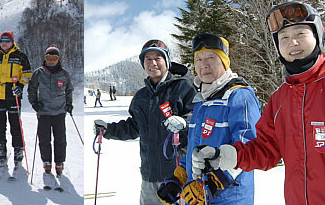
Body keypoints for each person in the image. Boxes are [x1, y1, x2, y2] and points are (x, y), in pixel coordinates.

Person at [191, 2, 325, 204]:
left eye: (300, 34)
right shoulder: (280, 100)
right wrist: (225, 155)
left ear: (317, 35)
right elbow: (265, 149)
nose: (292, 42)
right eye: (283, 37)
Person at [157, 34, 260, 205]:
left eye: (211, 57)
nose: (204, 64)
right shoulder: (203, 101)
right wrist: (179, 178)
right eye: (199, 59)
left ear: (224, 61)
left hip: (230, 199)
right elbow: (194, 149)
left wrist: (214, 182)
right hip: (199, 197)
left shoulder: (239, 96)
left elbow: (250, 148)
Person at [93, 39, 196, 205]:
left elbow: (198, 119)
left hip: (177, 176)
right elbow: (134, 127)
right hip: (150, 175)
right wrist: (107, 130)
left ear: (167, 61)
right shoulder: (141, 96)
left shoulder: (182, 88)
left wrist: (184, 122)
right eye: (148, 59)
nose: (153, 63)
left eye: (158, 58)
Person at [0, 31, 32, 170]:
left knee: (15, 124)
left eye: (7, 40)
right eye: (1, 40)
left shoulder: (20, 56)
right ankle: (1, 149)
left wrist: (20, 85)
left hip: (13, 94)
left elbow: (27, 73)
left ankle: (18, 149)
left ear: (12, 42)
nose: (4, 43)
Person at [28, 45, 74, 176]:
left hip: (59, 111)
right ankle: (46, 161)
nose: (51, 60)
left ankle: (59, 162)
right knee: (44, 139)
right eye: (49, 57)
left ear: (58, 59)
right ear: (45, 58)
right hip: (43, 111)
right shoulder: (39, 73)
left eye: (54, 58)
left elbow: (69, 90)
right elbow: (31, 89)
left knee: (60, 139)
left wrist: (69, 104)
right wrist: (34, 103)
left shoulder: (64, 73)